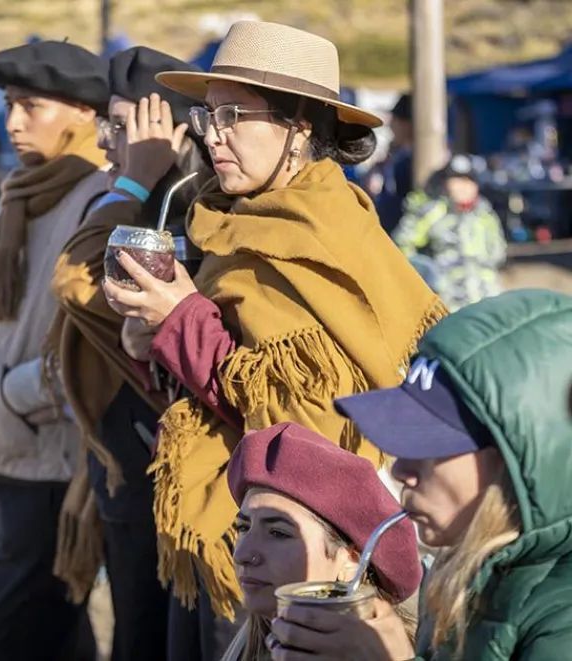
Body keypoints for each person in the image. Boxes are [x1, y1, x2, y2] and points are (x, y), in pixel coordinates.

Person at [101, 20, 446, 628]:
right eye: (209, 117)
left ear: (300, 127)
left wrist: (180, 319)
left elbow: (301, 429)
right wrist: (153, 335)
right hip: (235, 526)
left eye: (235, 114)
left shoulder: (317, 229)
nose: (214, 136)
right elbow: (230, 371)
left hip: (296, 555)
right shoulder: (238, 220)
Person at [272, 289, 572, 659]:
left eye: (431, 445)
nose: (401, 469)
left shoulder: (561, 616)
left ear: (523, 458)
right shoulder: (461, 571)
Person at [49, 46, 219, 660]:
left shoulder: (197, 203)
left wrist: (137, 176)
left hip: (176, 458)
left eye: (126, 128)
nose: (109, 145)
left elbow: (73, 281)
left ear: (176, 132)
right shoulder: (129, 194)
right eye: (109, 126)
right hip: (126, 453)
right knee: (137, 631)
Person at [0, 40, 110, 661]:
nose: (13, 122)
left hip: (51, 450)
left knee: (8, 629)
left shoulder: (98, 197)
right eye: (9, 106)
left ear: (84, 112)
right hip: (14, 447)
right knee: (55, 623)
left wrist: (25, 394)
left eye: (32, 106)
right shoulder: (28, 189)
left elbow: (92, 339)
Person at [222, 422, 422, 661]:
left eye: (278, 533)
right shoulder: (246, 650)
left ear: (352, 561)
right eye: (243, 527)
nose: (242, 554)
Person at [394, 154, 507, 312]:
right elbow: (402, 245)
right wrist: (427, 274)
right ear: (445, 183)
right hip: (447, 304)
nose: (463, 186)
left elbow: (498, 252)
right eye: (457, 180)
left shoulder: (485, 215)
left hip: (486, 300)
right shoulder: (433, 212)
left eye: (469, 180)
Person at [370, 93, 414, 234]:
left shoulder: (409, 161)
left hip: (401, 229)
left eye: (395, 121)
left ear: (407, 124)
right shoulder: (395, 156)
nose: (391, 127)